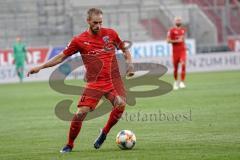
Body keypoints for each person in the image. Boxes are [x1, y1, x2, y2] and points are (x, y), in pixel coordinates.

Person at [27, 8, 134, 153]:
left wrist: (130, 63)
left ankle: (104, 132)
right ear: (88, 21)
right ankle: (69, 145)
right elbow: (61, 57)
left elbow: (124, 49)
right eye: (95, 23)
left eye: (100, 22)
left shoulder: (111, 34)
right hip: (94, 83)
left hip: (112, 80)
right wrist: (41, 66)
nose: (98, 26)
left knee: (120, 105)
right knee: (80, 114)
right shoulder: (79, 40)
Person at [167, 16, 187, 90]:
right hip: (175, 52)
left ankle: (182, 82)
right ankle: (175, 82)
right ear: (174, 22)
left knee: (183, 64)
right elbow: (168, 41)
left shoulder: (183, 30)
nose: (178, 21)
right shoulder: (171, 31)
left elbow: (183, 39)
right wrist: (176, 41)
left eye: (179, 20)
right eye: (177, 20)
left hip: (182, 50)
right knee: (175, 68)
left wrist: (185, 45)